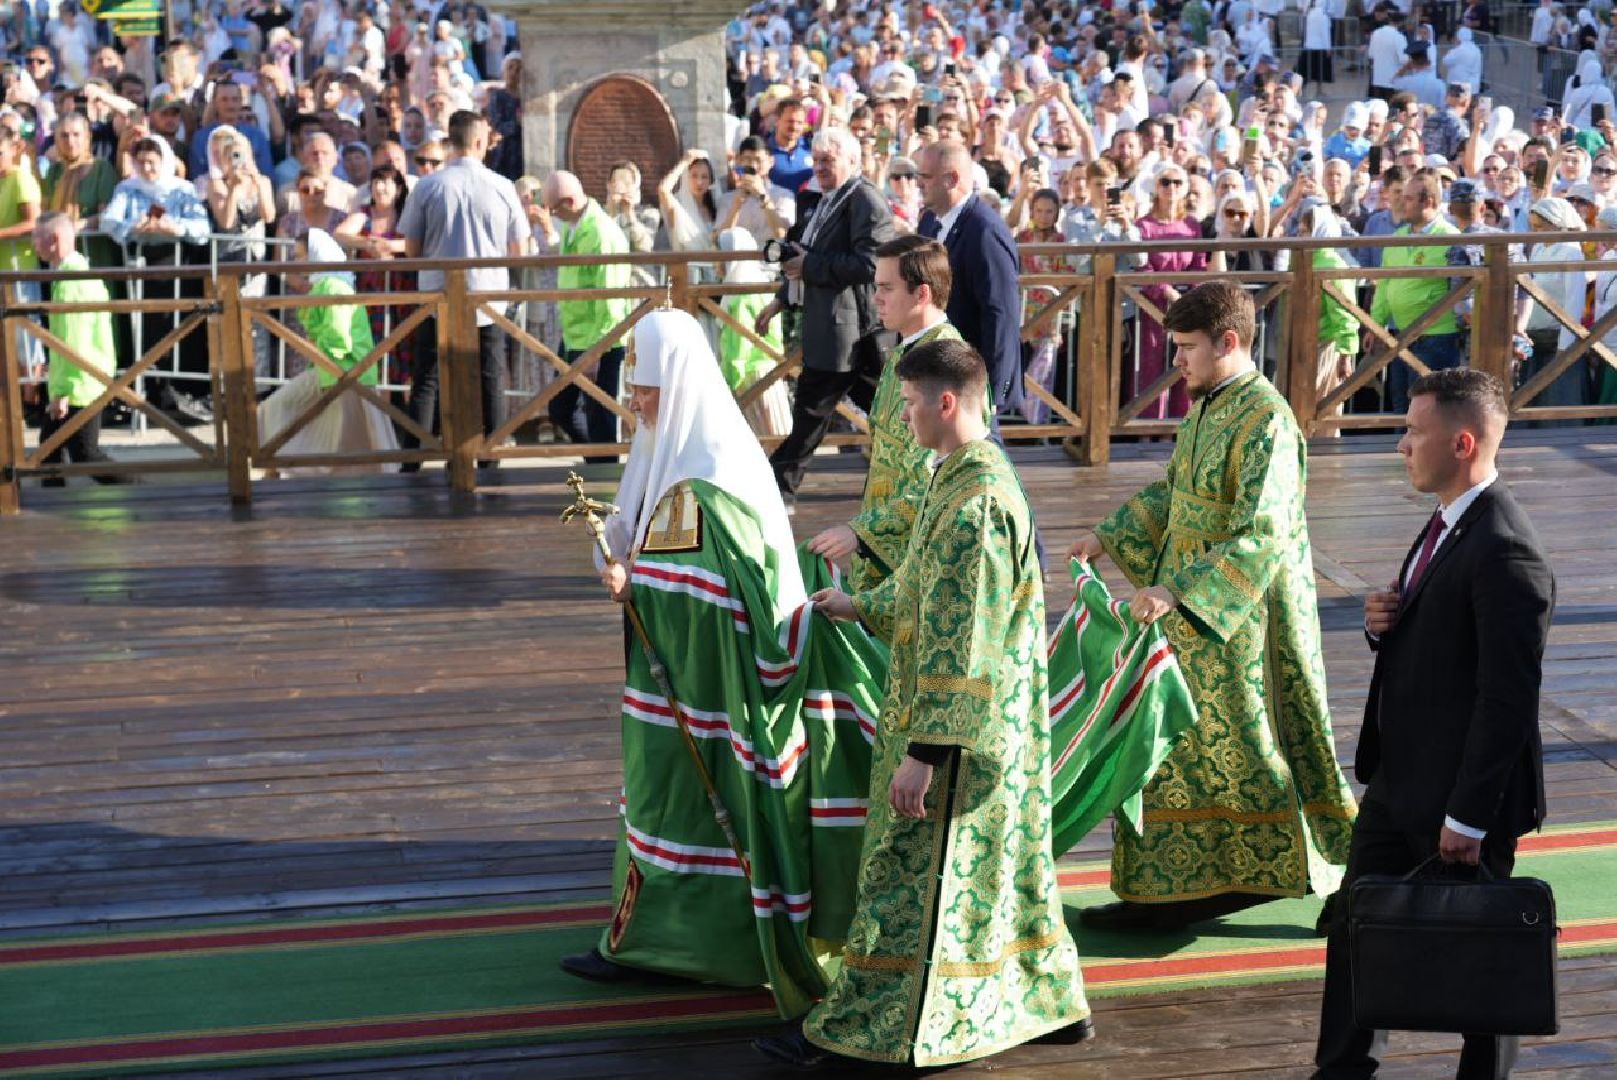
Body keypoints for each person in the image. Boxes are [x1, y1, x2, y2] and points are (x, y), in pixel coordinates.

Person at [758, 337, 1090, 1070]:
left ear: (946, 403)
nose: (900, 418)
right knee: (1004, 874)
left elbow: (963, 635)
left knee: (912, 876)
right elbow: (926, 592)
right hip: (992, 727)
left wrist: (924, 754)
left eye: (907, 403)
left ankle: (874, 1031)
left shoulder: (973, 504)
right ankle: (1045, 999)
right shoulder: (970, 475)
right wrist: (858, 604)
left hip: (953, 734)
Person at [559, 309, 882, 1021]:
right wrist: (617, 560)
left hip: (717, 694)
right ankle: (650, 940)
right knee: (662, 805)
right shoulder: (669, 452)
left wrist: (633, 580)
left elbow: (713, 594)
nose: (633, 401)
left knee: (685, 807)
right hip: (676, 687)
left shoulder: (707, 480)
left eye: (642, 388)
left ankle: (706, 950)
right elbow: (631, 530)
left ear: (674, 386)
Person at [1071, 283, 1357, 930]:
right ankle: (1171, 888)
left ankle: (1335, 876)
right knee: (1176, 748)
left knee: (1256, 748)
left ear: (1228, 343)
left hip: (1240, 621)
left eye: (1186, 349)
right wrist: (1107, 535)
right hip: (1181, 607)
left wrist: (1177, 592)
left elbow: (1263, 530)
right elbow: (1174, 491)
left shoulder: (1267, 420)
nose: (1176, 361)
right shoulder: (1207, 405)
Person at [1313, 369, 1555, 1080]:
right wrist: (1382, 621)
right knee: (1354, 932)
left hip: (1461, 799)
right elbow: (1443, 638)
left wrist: (1469, 819)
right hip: (1398, 783)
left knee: (1484, 963)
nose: (1400, 446)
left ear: (1460, 441)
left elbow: (1505, 700)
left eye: (1413, 433)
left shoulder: (1508, 549)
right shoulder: (1448, 519)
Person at [807, 234, 961, 594]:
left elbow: (937, 479)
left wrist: (861, 533)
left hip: (921, 561)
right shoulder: (908, 352)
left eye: (887, 288)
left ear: (921, 294)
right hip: (884, 544)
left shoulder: (946, 364)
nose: (876, 298)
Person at [758, 126, 895, 497]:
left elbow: (871, 262)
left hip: (851, 330)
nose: (819, 167)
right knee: (879, 414)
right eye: (815, 160)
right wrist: (782, 298)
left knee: (814, 413)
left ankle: (776, 485)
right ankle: (910, 474)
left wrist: (810, 266)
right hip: (836, 327)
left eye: (827, 160)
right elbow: (801, 254)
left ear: (852, 161)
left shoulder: (864, 199)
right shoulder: (825, 199)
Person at [399, 110, 530, 467]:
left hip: (437, 296)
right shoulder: (502, 186)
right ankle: (491, 454)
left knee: (427, 377)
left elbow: (411, 248)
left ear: (450, 142)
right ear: (477, 142)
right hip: (486, 297)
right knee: (490, 376)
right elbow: (519, 249)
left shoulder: (428, 186)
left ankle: (414, 456)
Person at [257, 229, 400, 475]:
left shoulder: (330, 286)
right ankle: (276, 463)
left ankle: (276, 464)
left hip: (344, 371)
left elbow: (338, 338)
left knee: (349, 444)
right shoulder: (325, 284)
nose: (297, 263)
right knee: (347, 439)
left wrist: (310, 346)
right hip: (335, 370)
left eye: (302, 257)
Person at [915, 140, 1023, 419]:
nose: (918, 183)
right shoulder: (929, 222)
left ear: (951, 179)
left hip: (970, 385)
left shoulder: (985, 231)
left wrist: (992, 391)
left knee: (983, 458)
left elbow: (1001, 313)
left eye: (925, 177)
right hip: (938, 373)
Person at [31, 212, 127, 487]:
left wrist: (63, 392)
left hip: (79, 384)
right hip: (82, 379)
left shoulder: (71, 283)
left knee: (85, 454)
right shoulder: (77, 274)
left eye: (37, 237)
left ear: (54, 239)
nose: (33, 244)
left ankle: (135, 489)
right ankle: (54, 505)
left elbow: (74, 343)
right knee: (50, 451)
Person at [543, 169, 631, 463]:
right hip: (574, 338)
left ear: (568, 201)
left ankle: (606, 485)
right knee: (560, 408)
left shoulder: (600, 233)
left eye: (554, 208)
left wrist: (597, 352)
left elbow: (609, 300)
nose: (553, 215)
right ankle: (594, 464)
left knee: (602, 421)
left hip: (600, 342)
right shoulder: (574, 225)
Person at [1370, 172, 1462, 413]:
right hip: (1400, 335)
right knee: (1401, 404)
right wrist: (1376, 324)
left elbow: (1461, 288)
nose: (1402, 202)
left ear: (1429, 201)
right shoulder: (1397, 237)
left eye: (1409, 198)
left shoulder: (1450, 238)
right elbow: (1385, 284)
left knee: (1430, 409)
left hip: (1435, 336)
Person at [713, 227, 790, 438]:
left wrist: (727, 382)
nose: (715, 262)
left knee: (766, 440)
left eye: (718, 255)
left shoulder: (740, 295)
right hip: (767, 371)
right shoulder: (757, 285)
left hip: (751, 377)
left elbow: (738, 348)